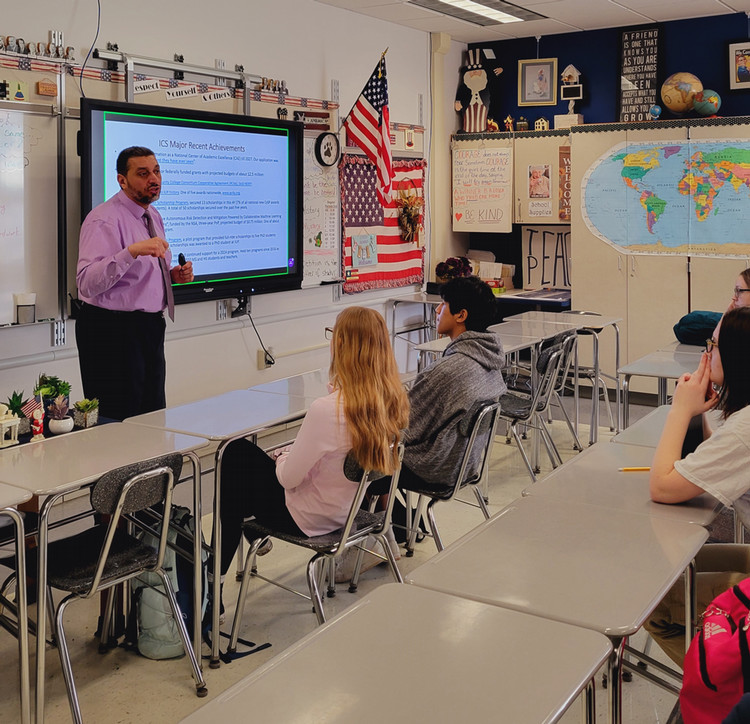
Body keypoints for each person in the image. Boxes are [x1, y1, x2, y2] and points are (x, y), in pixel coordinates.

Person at [215, 306, 409, 584]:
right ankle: (232, 559)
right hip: (346, 513)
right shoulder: (392, 400)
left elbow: (288, 479)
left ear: (342, 345)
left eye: (333, 334)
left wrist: (283, 457)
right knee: (243, 474)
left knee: (232, 454)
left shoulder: (327, 409)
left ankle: (214, 584)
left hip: (306, 518)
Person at [646, 307, 750, 666]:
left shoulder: (745, 429)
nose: (706, 354)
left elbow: (662, 486)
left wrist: (678, 412)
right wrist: (694, 411)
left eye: (714, 345)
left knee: (653, 600)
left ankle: (720, 691)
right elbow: (713, 460)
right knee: (675, 568)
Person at [75, 146, 194, 421]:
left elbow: (139, 277)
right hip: (111, 331)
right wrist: (131, 252)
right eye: (143, 173)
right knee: (119, 421)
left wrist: (173, 276)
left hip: (149, 328)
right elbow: (86, 283)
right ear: (122, 180)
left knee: (151, 416)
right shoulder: (103, 219)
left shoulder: (153, 215)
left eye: (156, 171)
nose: (154, 179)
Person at [398, 276, 507, 494]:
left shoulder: (446, 372)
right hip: (464, 463)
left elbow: (403, 429)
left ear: (461, 315)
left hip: (431, 468)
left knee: (351, 463)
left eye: (444, 305)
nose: (437, 310)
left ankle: (385, 525)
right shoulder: (490, 359)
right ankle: (398, 525)